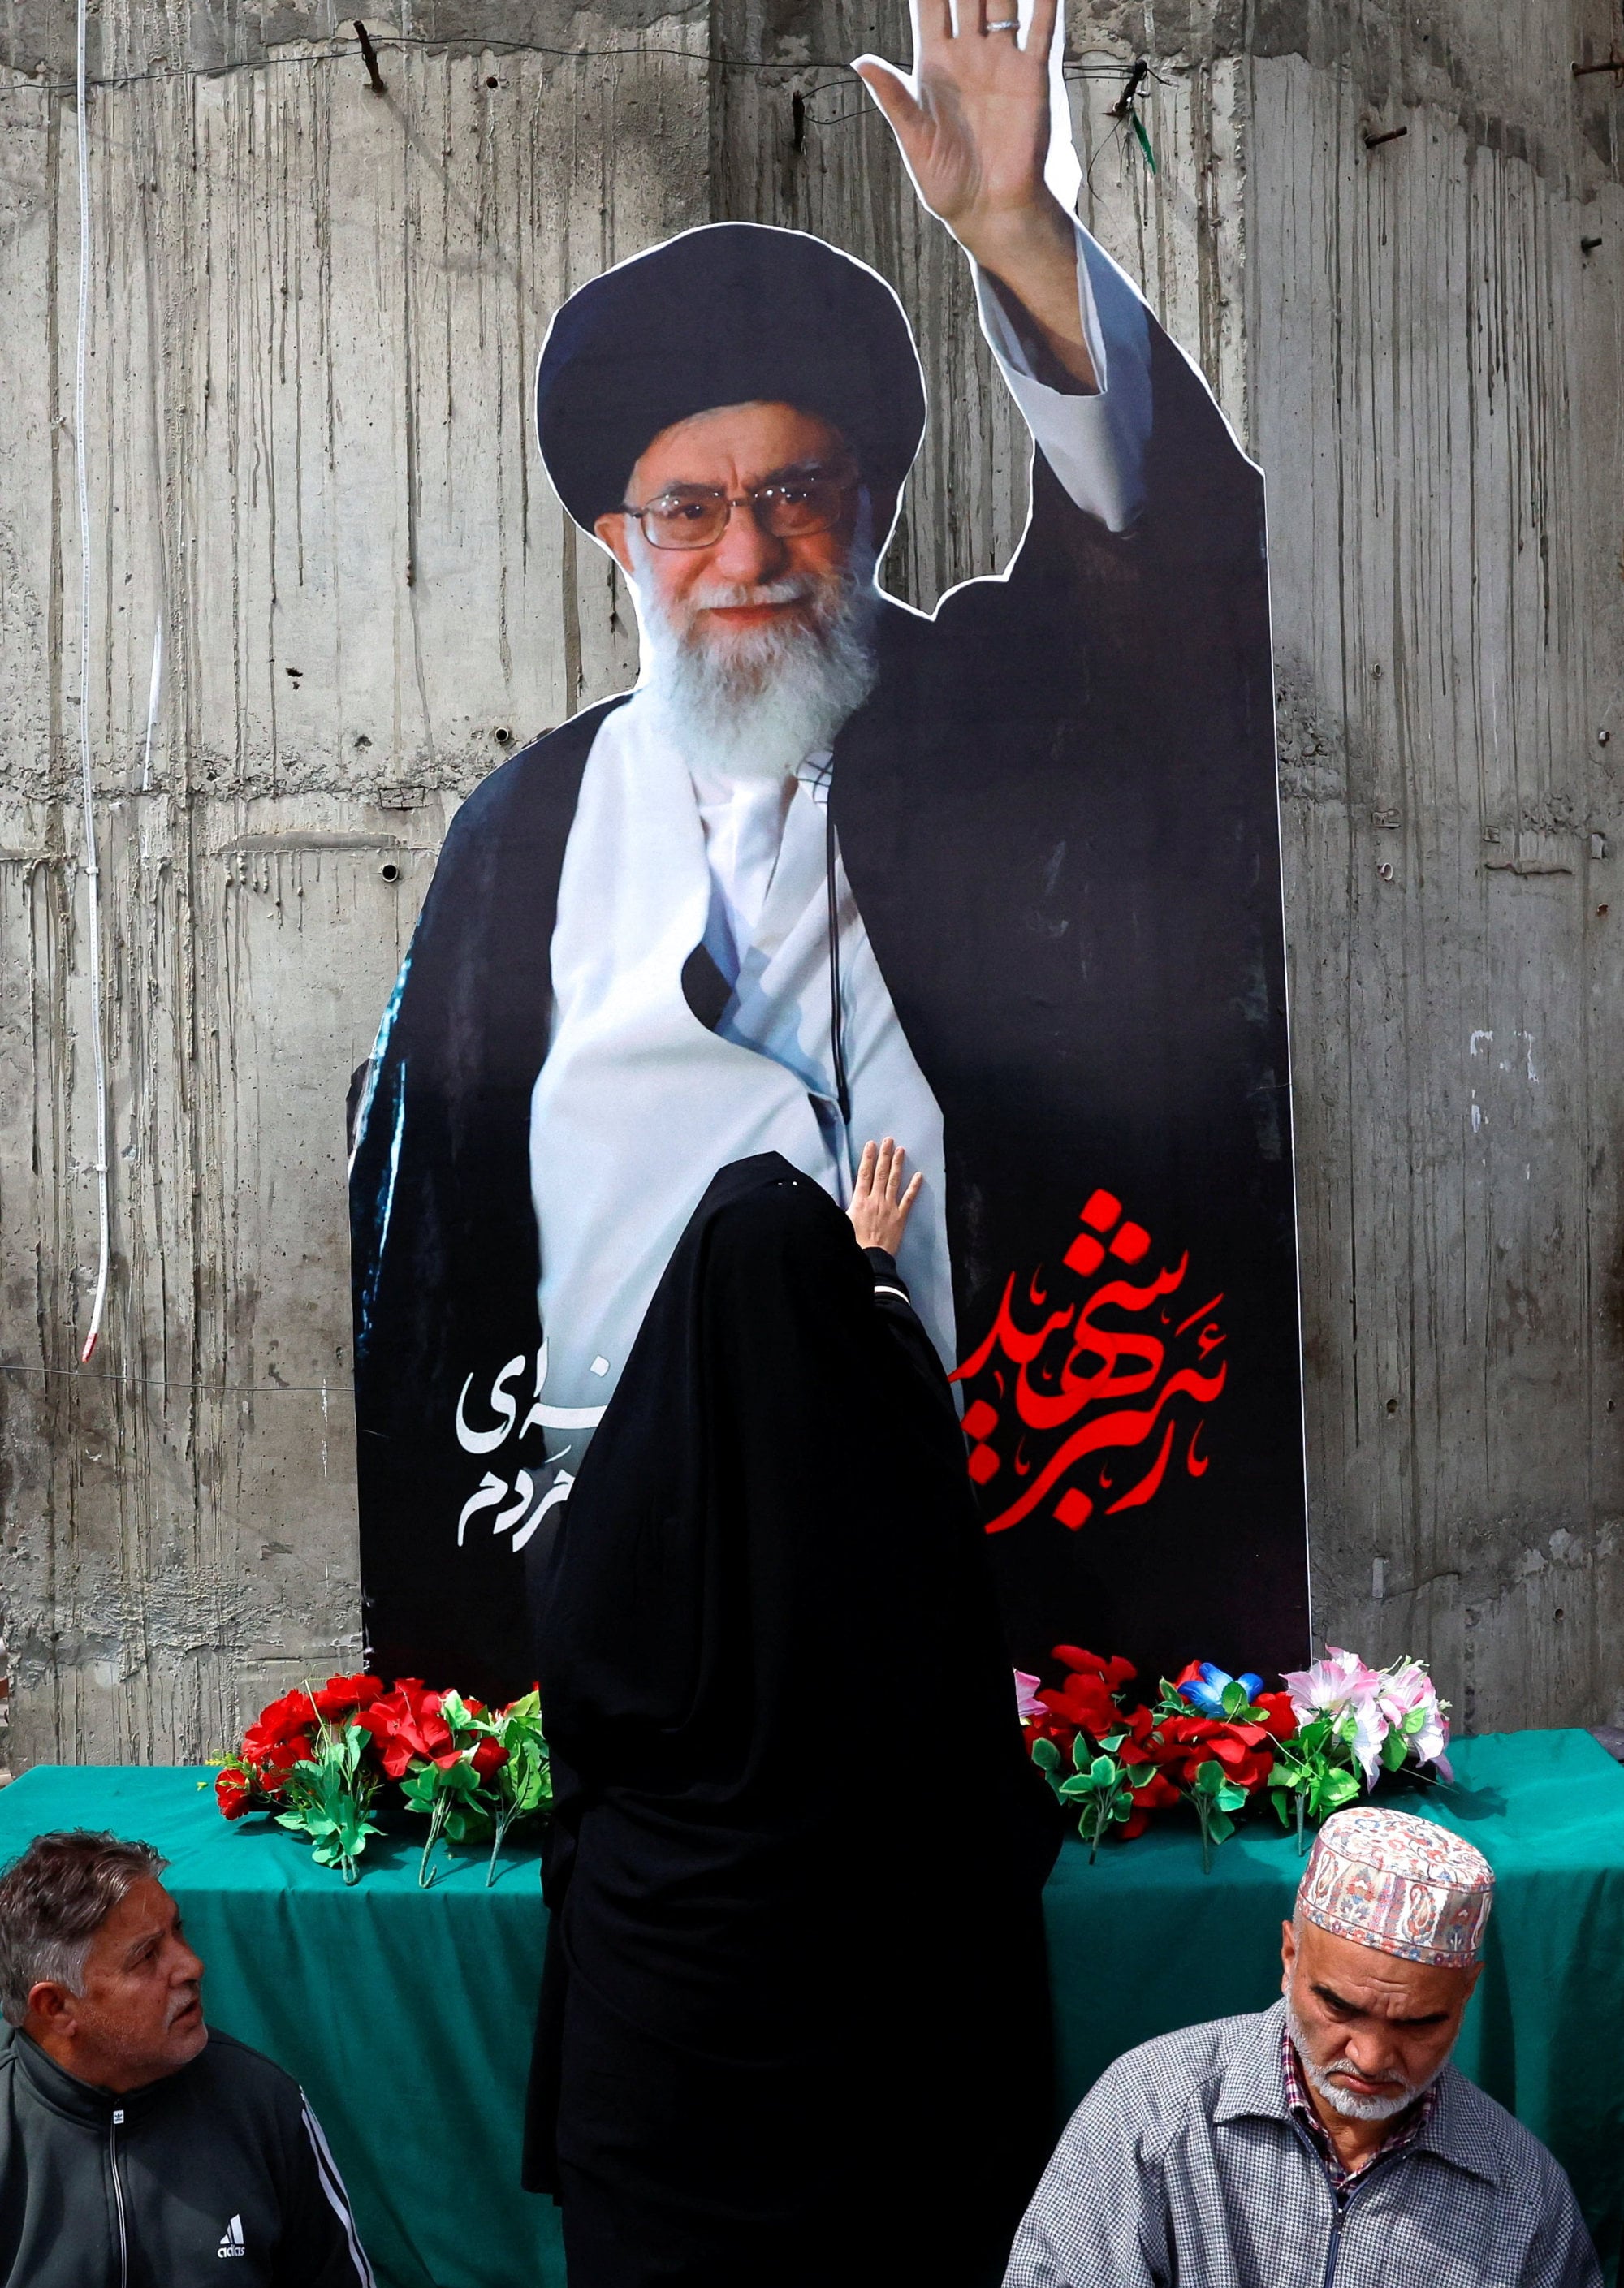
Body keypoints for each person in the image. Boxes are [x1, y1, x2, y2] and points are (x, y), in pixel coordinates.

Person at [349, 0, 1308, 1701]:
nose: (750, 554)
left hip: (962, 1570)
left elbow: (1166, 575)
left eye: (795, 492)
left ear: (869, 506)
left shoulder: (998, 724)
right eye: (690, 511)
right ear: (618, 540)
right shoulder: (522, 837)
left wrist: (1016, 235)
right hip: (623, 1601)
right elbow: (424, 1271)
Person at [521, 1143, 1060, 2288]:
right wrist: (874, 1276)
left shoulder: (615, 1519)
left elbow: (584, 1734)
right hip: (855, 2057)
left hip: (656, 2036)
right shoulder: (896, 1506)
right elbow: (916, 1468)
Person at [997, 1804, 1603, 2288]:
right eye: (1340, 2007)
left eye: (1418, 2023)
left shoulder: (1523, 2198)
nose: (1371, 2057)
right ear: (1290, 1956)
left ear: (1466, 1995)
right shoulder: (1153, 2106)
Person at [0, 1828, 438, 2288]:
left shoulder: (260, 2106)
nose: (190, 1966)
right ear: (56, 2008)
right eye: (146, 1956)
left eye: (178, 1932)